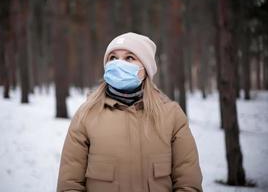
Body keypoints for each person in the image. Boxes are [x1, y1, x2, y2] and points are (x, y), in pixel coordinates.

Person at [56, 32, 203, 192]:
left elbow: (188, 185)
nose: (119, 63)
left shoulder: (172, 116)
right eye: (113, 58)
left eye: (129, 58)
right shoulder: (86, 116)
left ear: (145, 69)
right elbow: (69, 185)